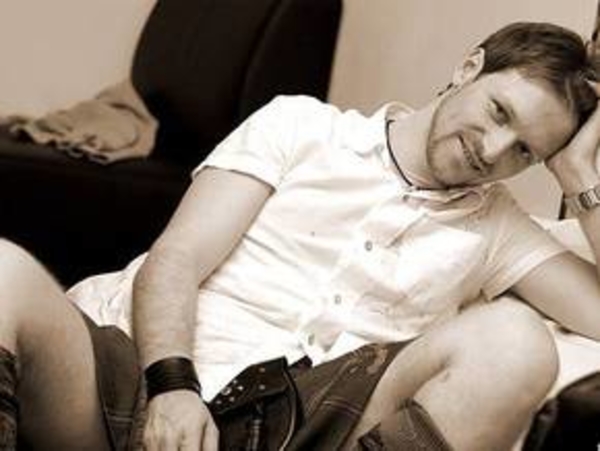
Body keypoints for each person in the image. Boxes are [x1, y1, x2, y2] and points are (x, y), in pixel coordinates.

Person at [1, 20, 600, 451]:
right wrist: (173, 389)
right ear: (469, 68)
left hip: (308, 419)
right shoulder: (302, 126)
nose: (493, 151)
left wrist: (579, 175)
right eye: (499, 112)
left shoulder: (497, 227)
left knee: (518, 341)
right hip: (146, 378)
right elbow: (178, 257)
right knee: (3, 270)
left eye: (525, 151)